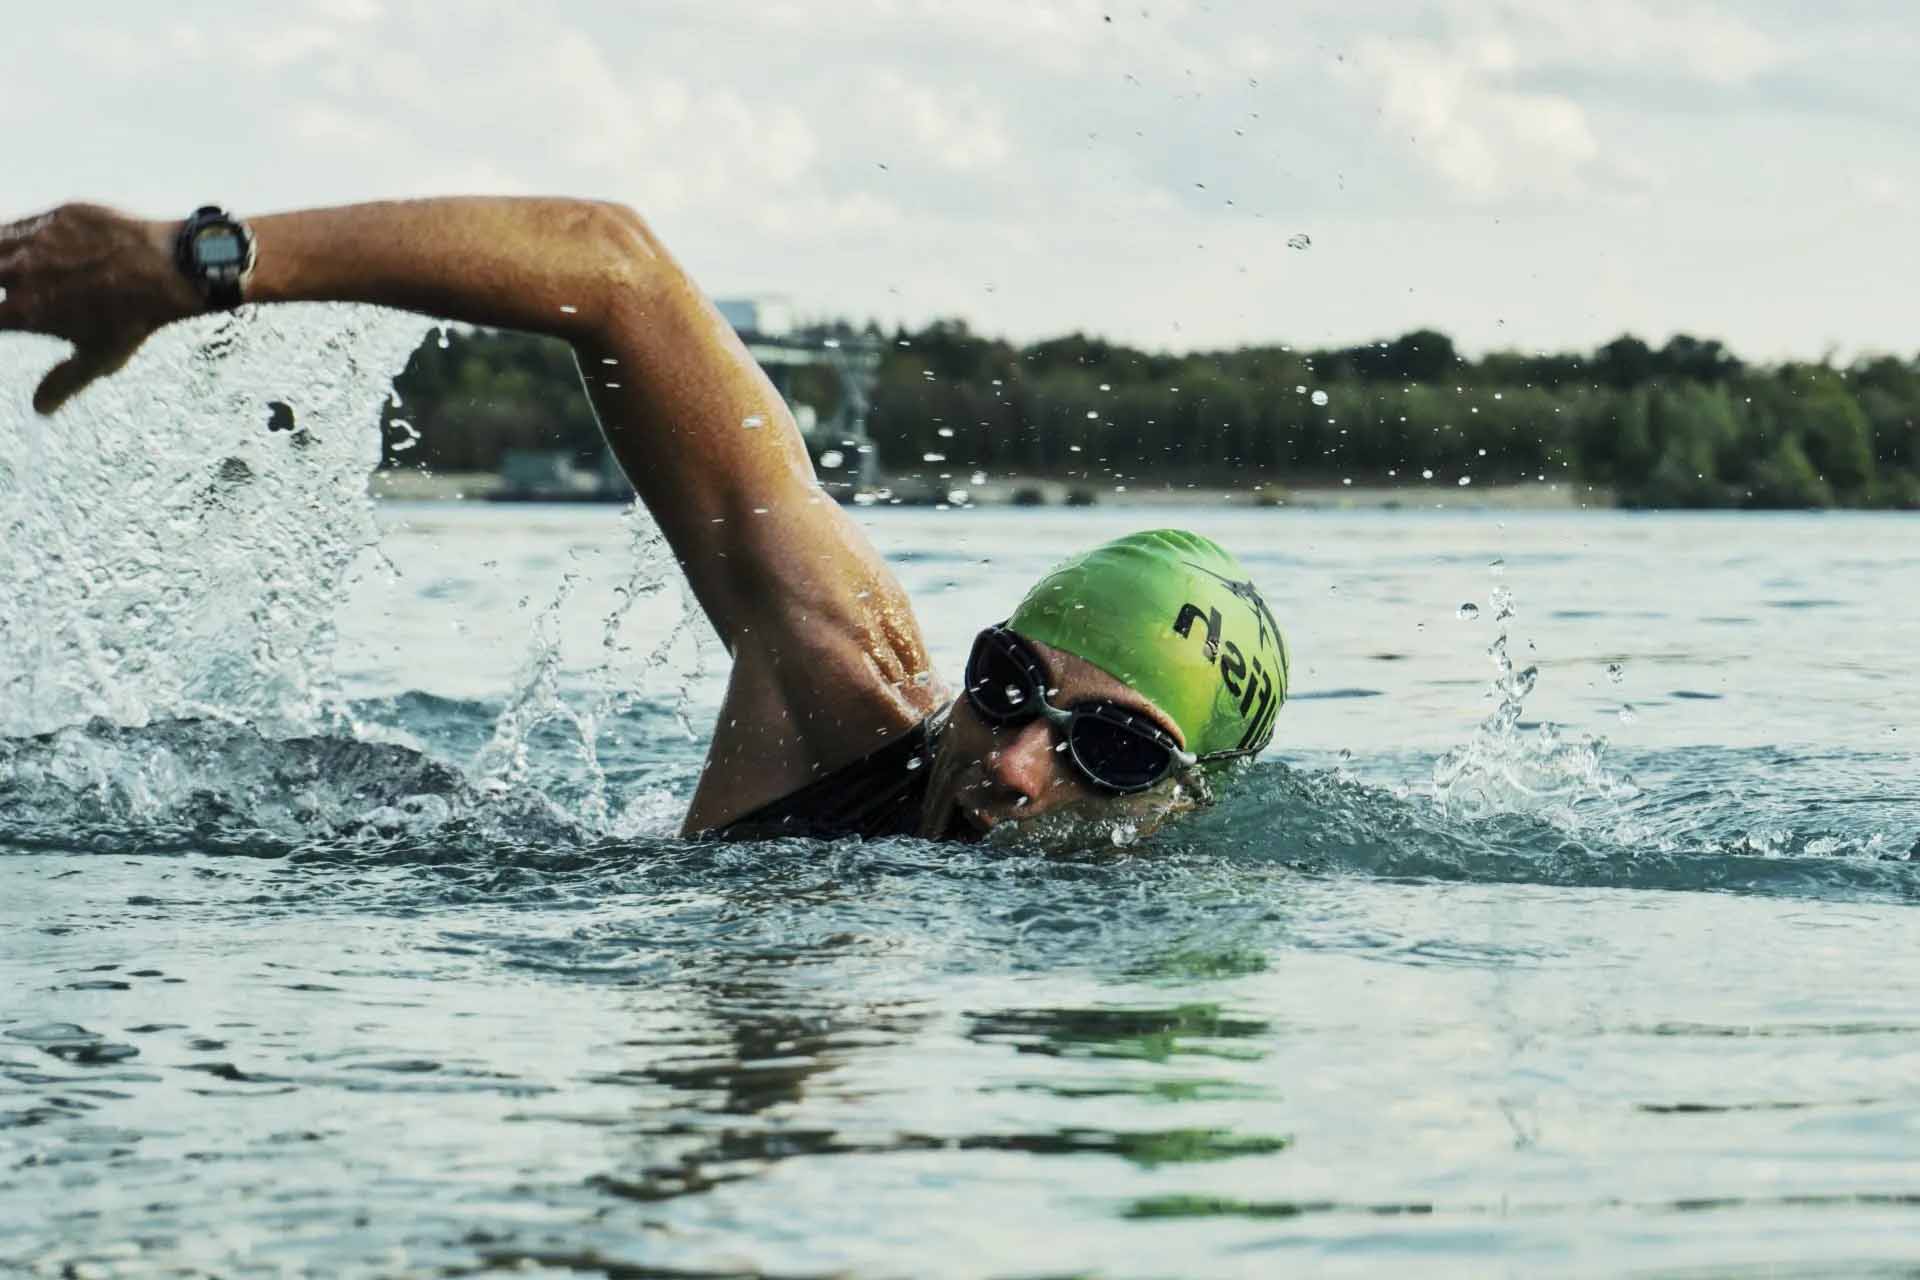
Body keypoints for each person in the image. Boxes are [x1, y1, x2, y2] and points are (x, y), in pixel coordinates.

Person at [0, 198, 1288, 846]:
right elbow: (616, 269)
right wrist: (197, 264)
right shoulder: (844, 684)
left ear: (1182, 805)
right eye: (1009, 686)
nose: (1014, 764)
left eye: (1110, 753)